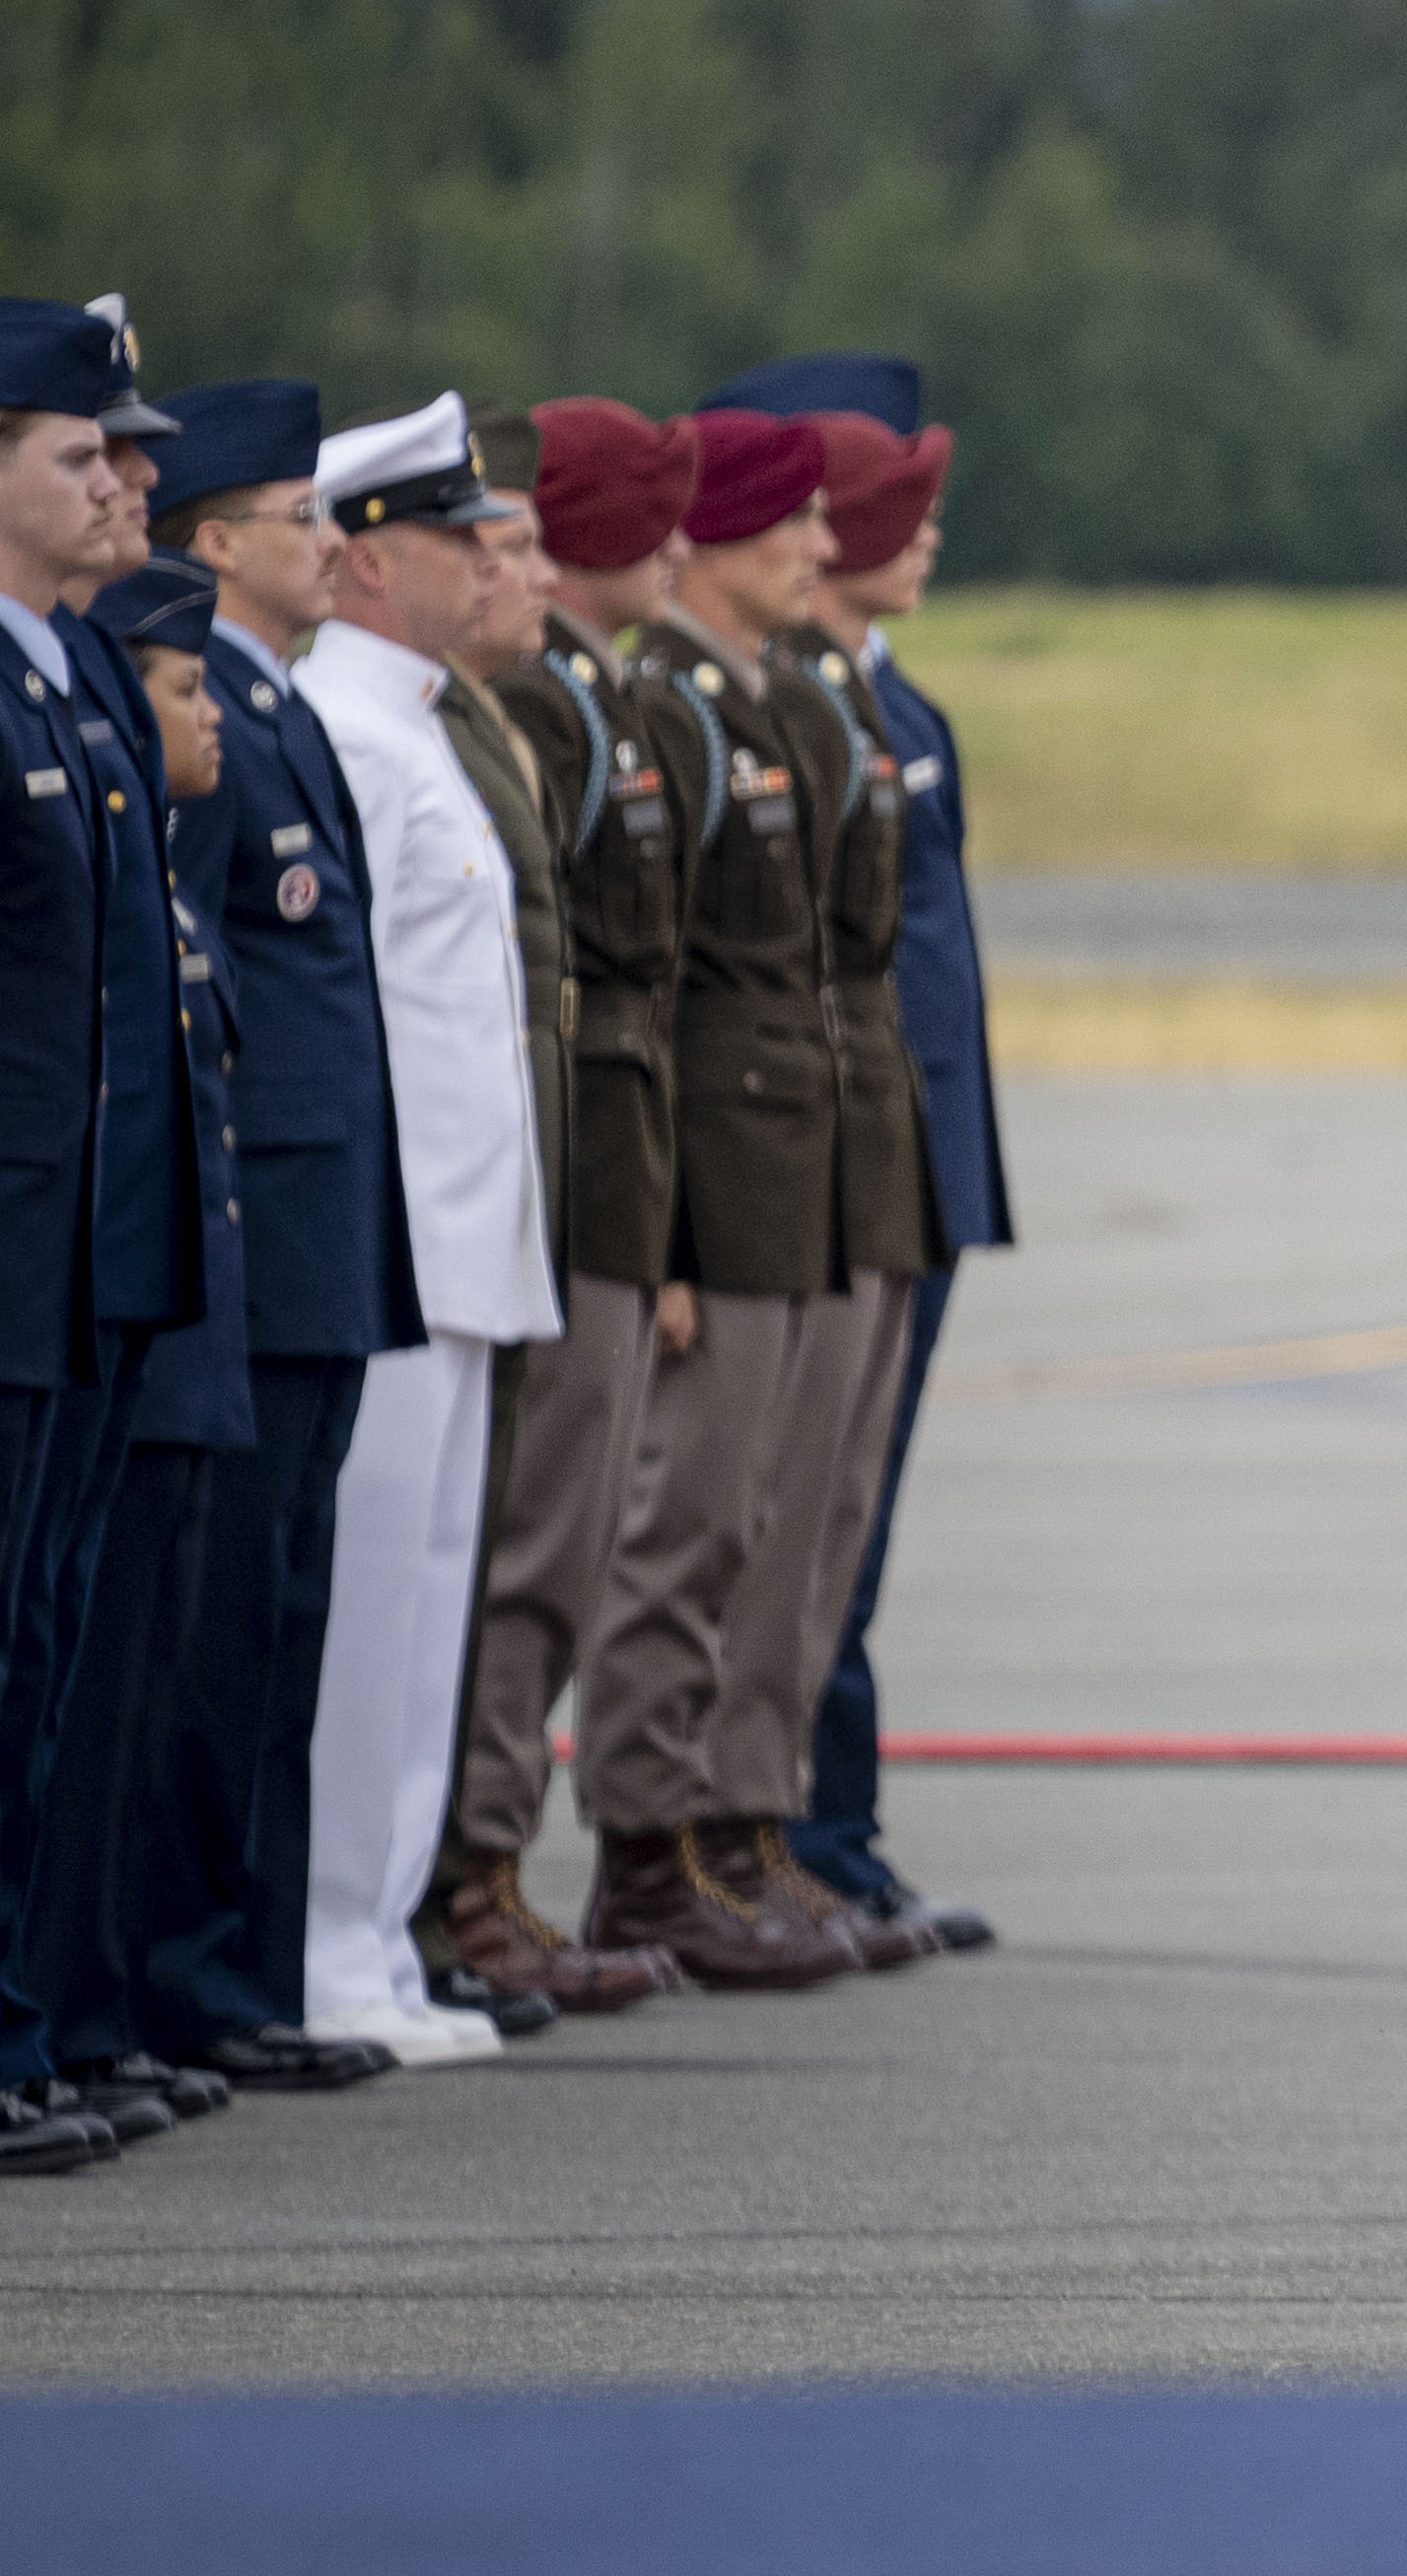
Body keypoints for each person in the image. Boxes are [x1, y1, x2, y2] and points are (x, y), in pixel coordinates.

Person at [136, 381, 438, 2090]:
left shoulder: (278, 707)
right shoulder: (215, 714)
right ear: (215, 540)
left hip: (323, 1219)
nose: (334, 541)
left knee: (281, 1606)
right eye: (300, 514)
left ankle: (246, 1970)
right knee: (222, 1610)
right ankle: (191, 1971)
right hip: (262, 1211)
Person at [571, 405, 888, 1987]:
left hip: (800, 1166)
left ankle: (734, 1824)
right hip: (720, 1175)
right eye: (799, 524)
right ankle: (649, 1839)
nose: (827, 550)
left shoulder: (779, 703)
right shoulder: (676, 712)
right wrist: (680, 1235)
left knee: (765, 1514)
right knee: (687, 1521)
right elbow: (666, 991)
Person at [289, 394, 564, 2067]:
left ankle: (376, 1935)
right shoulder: (352, 732)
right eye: (459, 537)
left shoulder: (420, 734)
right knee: (369, 1616)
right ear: (371, 558)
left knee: (429, 1610)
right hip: (395, 1254)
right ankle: (328, 1939)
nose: (488, 563)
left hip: (464, 1252)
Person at [714, 366, 1003, 1952]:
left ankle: (830, 1824)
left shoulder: (895, 702)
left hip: (911, 1153)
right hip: (827, 1157)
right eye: (882, 507)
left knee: (853, 1514)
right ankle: (792, 1829)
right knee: (803, 1511)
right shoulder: (789, 705)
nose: (921, 533)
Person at [434, 402, 705, 2016]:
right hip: (564, 1157)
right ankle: (468, 1867)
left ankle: (486, 1861)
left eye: (541, 534)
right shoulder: (531, 707)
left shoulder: (595, 698)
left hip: (614, 1145)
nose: (527, 562)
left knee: (564, 1538)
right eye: (506, 538)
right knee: (528, 1546)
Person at [35, 548, 300, 2134]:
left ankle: (90, 2001)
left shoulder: (172, 868)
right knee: (83, 1659)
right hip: (93, 1285)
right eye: (181, 685)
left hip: (157, 1301)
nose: (204, 715)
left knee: (124, 1664)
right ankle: (62, 2005)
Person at [0, 307, 155, 2168]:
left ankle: (23, 2017)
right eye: (73, 454)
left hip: (67, 1253)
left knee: (34, 1646)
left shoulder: (54, 678)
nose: (119, 481)